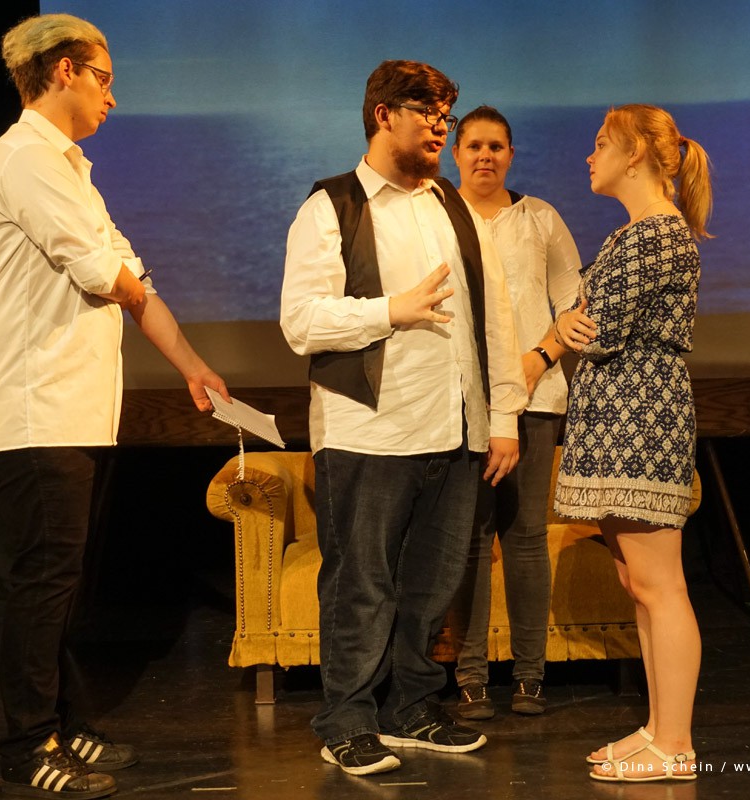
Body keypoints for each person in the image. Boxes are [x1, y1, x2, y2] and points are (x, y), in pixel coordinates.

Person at [0, 13, 229, 799]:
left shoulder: (72, 172)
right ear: (64, 70)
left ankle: (64, 720)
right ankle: (26, 742)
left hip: (69, 405)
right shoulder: (24, 158)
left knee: (66, 579)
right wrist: (131, 287)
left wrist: (194, 367)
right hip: (26, 402)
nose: (112, 96)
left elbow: (133, 279)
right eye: (104, 78)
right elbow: (105, 274)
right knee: (46, 578)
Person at [280, 60, 528, 776]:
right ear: (384, 114)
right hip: (370, 429)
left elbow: (495, 315)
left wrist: (503, 416)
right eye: (427, 112)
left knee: (433, 581)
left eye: (446, 114)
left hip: (455, 426)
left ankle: (411, 706)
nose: (441, 127)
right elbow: (300, 321)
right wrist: (393, 310)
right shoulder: (331, 206)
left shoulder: (451, 204)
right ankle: (347, 718)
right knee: (361, 583)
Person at [551, 103, 712, 783]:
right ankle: (657, 728)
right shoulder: (633, 233)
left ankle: (676, 743)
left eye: (600, 144)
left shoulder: (656, 234)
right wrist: (570, 319)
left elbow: (601, 328)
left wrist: (571, 321)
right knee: (637, 581)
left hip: (641, 421)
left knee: (659, 583)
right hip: (621, 418)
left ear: (636, 154)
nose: (590, 156)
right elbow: (583, 319)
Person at [445, 105, 582, 720]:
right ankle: (471, 677)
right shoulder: (437, 215)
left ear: (510, 155)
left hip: (535, 400)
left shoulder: (540, 219)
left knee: (525, 539)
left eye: (496, 146)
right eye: (474, 145)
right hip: (461, 405)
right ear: (455, 153)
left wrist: (538, 357)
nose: (485, 155)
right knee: (472, 541)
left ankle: (530, 677)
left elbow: (576, 305)